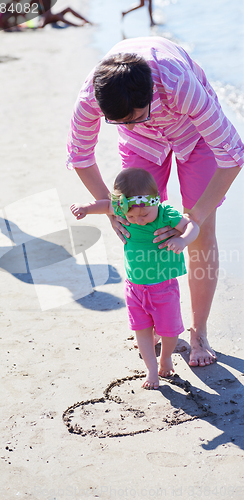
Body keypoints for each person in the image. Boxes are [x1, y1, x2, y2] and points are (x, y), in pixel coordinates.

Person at [66, 37, 244, 368]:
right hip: (142, 146)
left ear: (150, 96)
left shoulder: (177, 84)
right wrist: (108, 206)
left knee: (198, 230)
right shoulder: (94, 94)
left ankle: (199, 332)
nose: (131, 123)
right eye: (121, 121)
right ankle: (157, 322)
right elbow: (79, 154)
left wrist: (197, 216)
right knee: (139, 222)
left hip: (195, 134)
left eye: (136, 115)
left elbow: (232, 154)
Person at [71, 168, 199, 389]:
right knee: (141, 329)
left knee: (170, 331)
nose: (138, 220)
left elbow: (192, 226)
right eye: (131, 216)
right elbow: (105, 205)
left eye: (144, 215)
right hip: (134, 287)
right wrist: (86, 208)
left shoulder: (164, 213)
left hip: (164, 287)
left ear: (156, 201)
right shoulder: (123, 208)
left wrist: (183, 241)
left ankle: (166, 357)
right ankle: (151, 369)